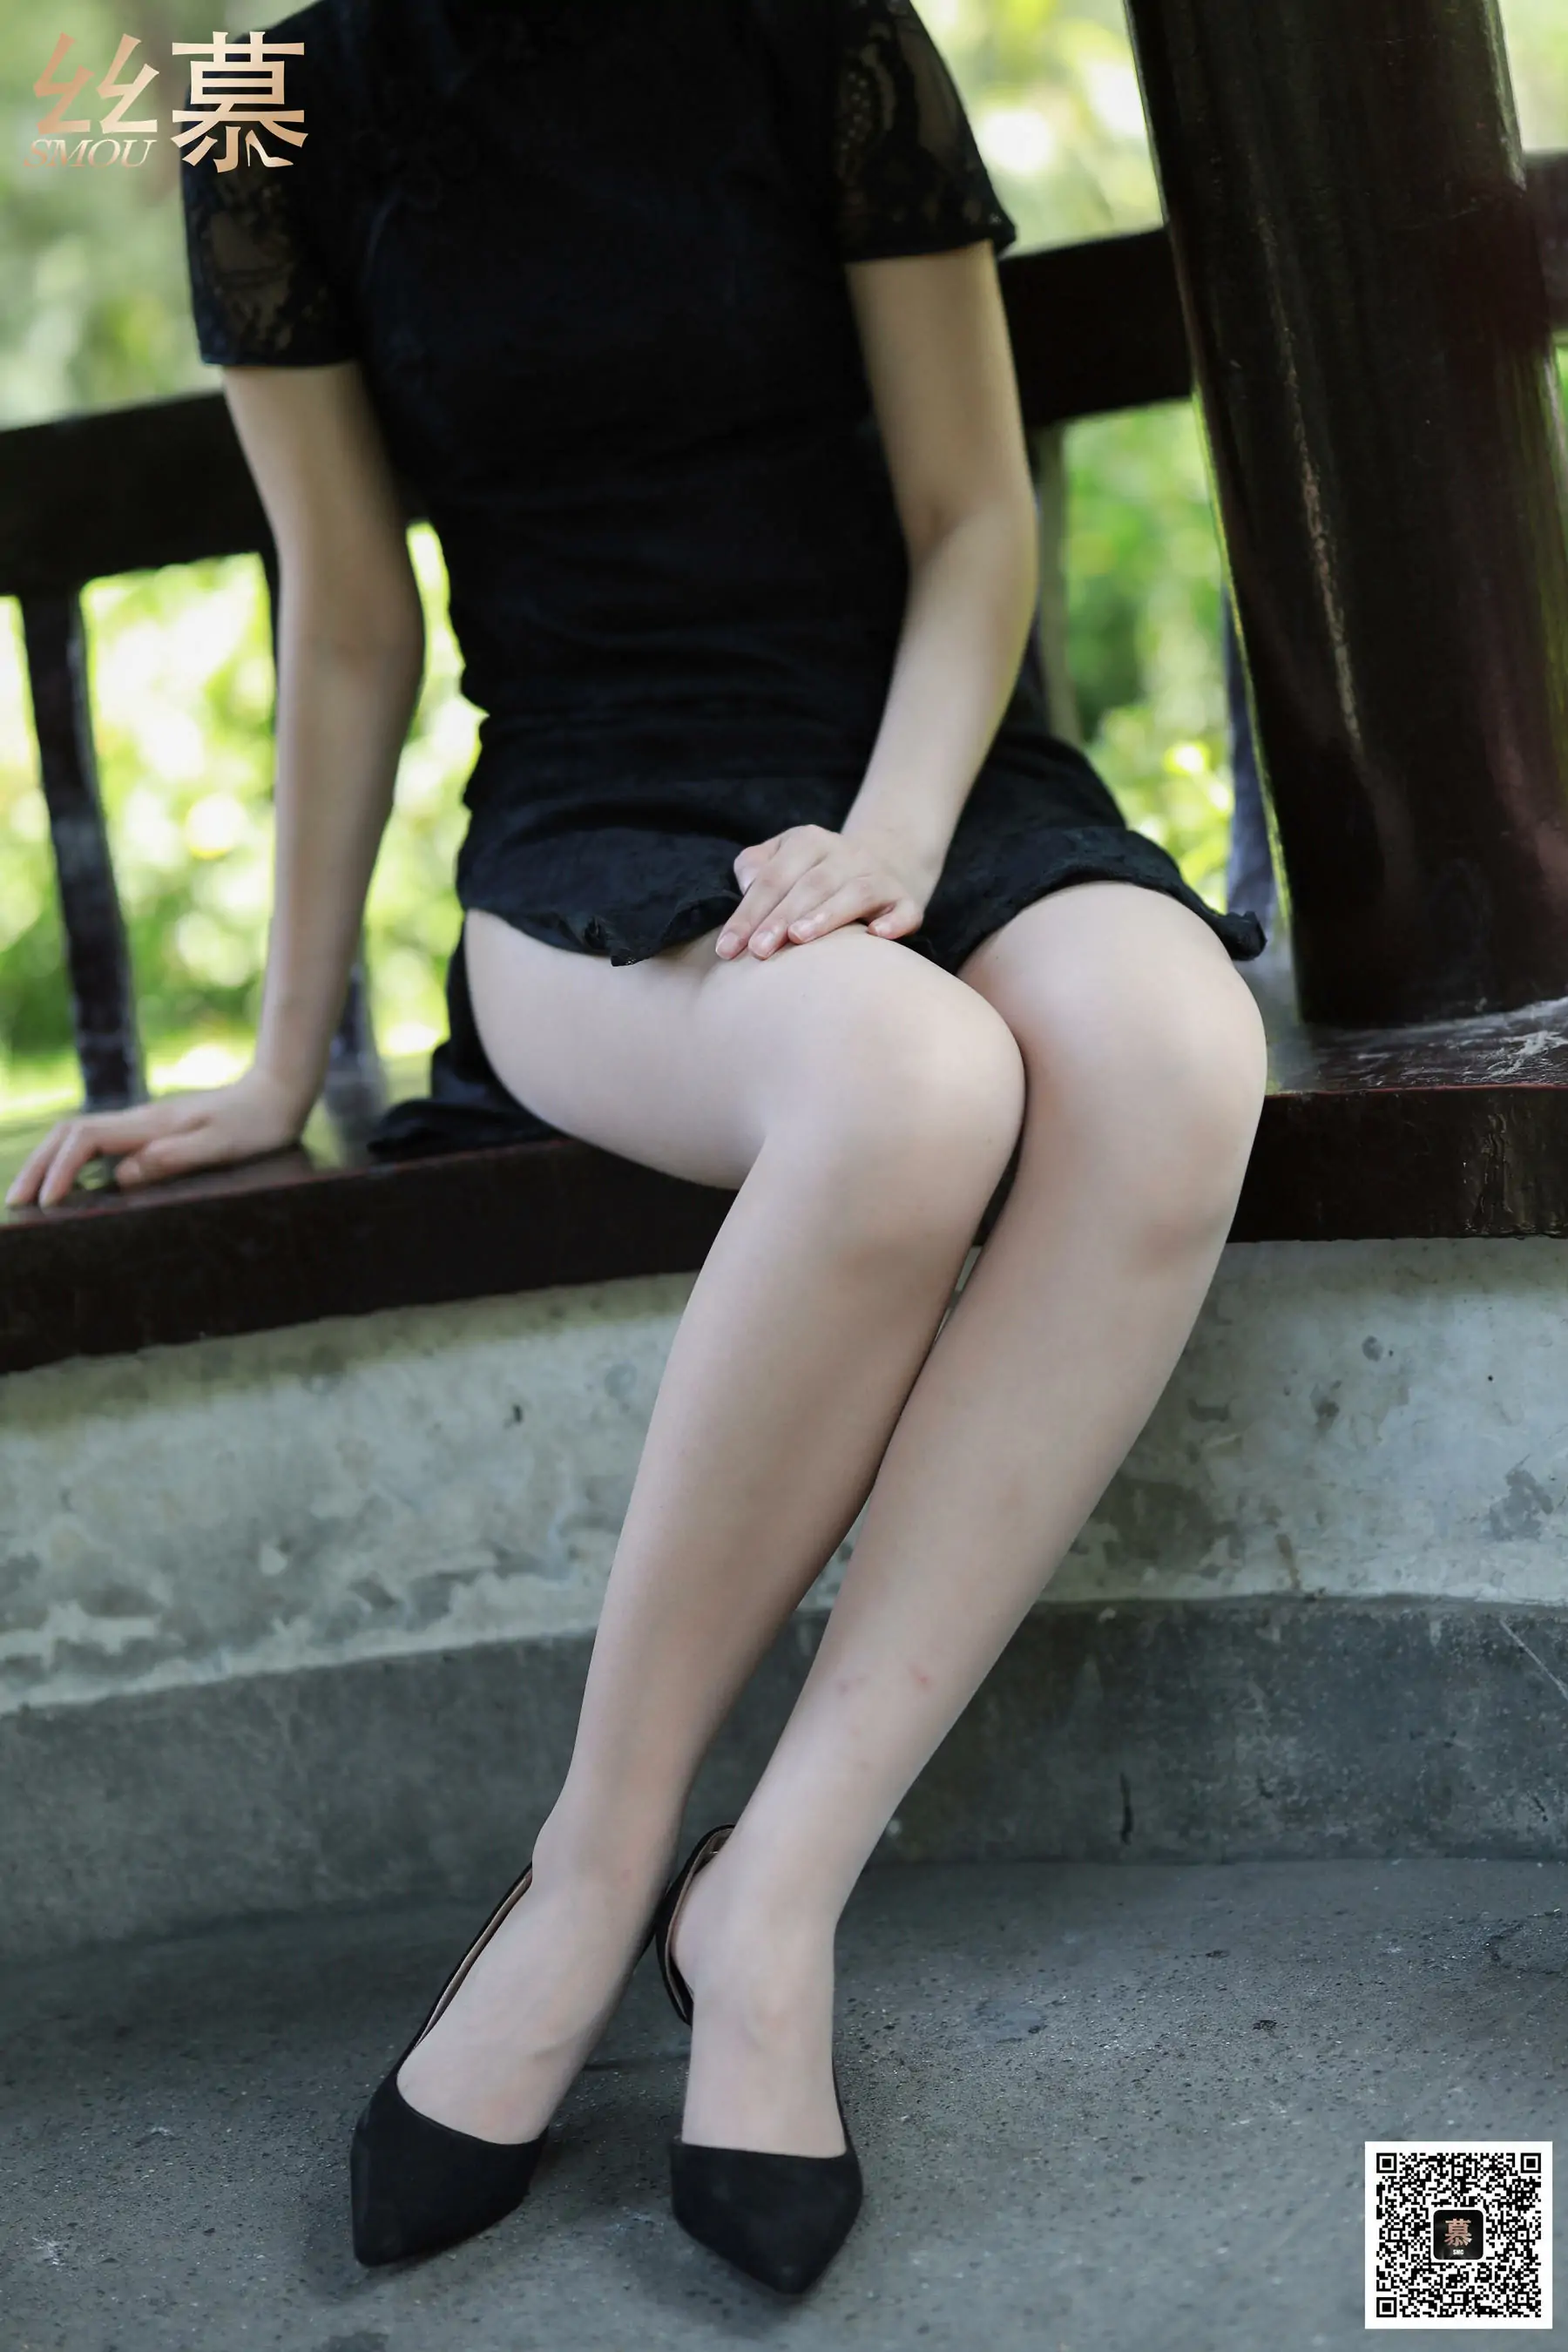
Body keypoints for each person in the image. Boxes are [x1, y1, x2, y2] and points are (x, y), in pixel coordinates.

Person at [6, 0, 1269, 2296]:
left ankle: (770, 1887)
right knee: (907, 1085)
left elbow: (974, 512)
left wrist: (889, 845)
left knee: (1177, 1053)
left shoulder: (819, 32)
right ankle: (590, 1875)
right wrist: (279, 1067)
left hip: (909, 772)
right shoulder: (262, 102)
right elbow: (350, 617)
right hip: (596, 827)